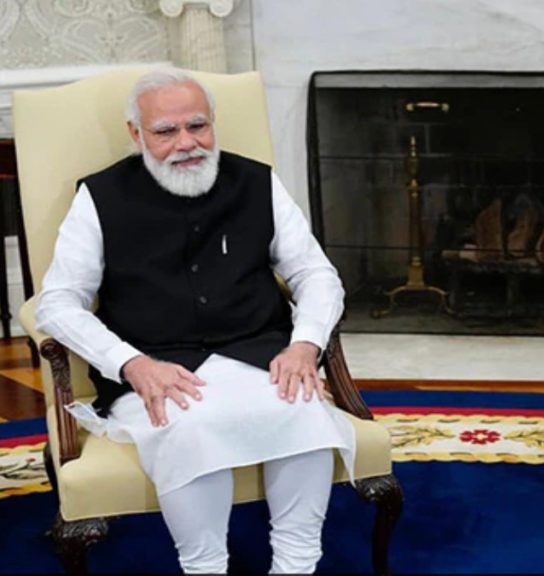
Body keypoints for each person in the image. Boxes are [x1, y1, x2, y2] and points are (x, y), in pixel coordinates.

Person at [35, 68, 356, 574]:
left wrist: (305, 344)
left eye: (198, 126)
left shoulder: (257, 182)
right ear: (136, 134)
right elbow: (56, 302)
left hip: (260, 353)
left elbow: (316, 274)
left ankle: (296, 565)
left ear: (213, 122)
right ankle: (205, 568)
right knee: (187, 424)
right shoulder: (100, 196)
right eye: (166, 131)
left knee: (301, 408)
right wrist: (132, 364)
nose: (186, 143)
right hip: (157, 366)